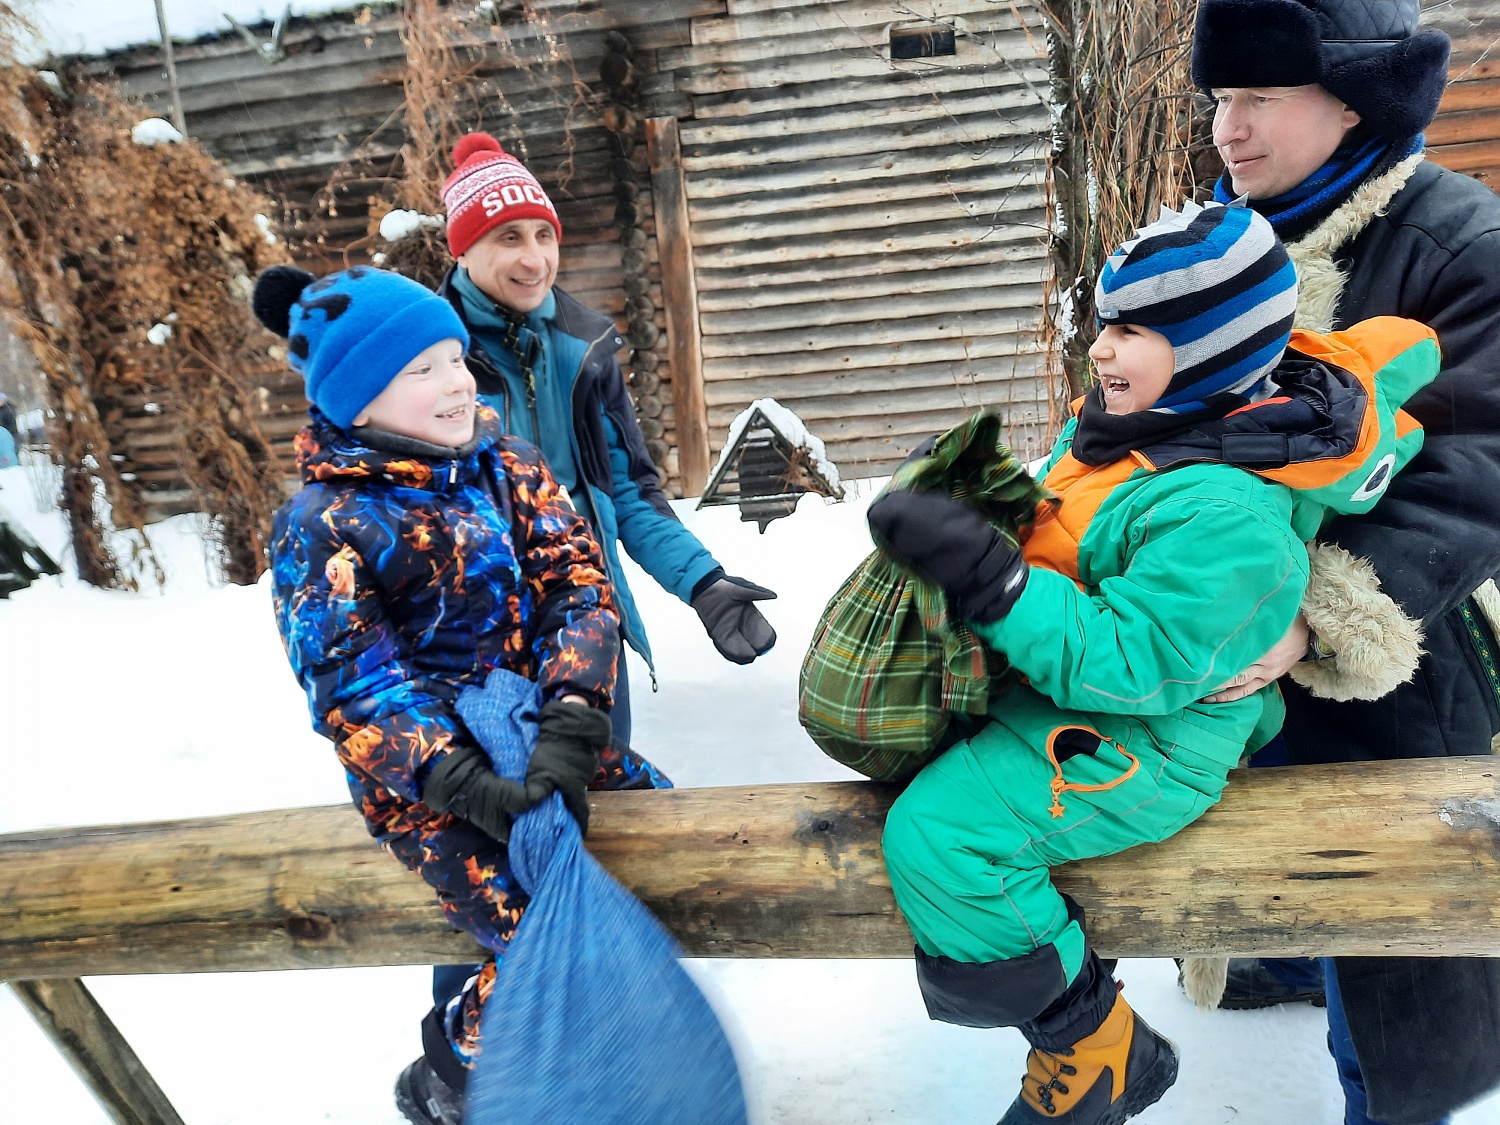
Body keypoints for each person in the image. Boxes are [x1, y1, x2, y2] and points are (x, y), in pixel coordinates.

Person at [867, 200, 1439, 1125]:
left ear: (1212, 351)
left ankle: (1091, 1046)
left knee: (942, 833)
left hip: (1154, 739)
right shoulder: (1143, 432)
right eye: (1106, 321)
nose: (1101, 347)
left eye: (1133, 328)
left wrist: (994, 580)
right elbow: (1078, 536)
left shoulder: (1225, 514)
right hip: (1084, 696)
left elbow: (1135, 661)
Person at [254, 263, 670, 1125]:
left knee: (670, 843)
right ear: (356, 401)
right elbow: (353, 685)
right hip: (432, 787)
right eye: (421, 370)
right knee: (542, 933)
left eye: (454, 357)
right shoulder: (321, 524)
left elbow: (576, 588)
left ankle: (611, 1044)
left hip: (537, 727)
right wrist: (461, 784)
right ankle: (454, 1071)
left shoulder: (506, 465)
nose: (455, 383)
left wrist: (572, 720)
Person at [1190, 2, 1500, 1121]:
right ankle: (1286, 961)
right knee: (1283, 893)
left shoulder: (1458, 244)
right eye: (1221, 99)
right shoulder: (1216, 250)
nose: (1229, 128)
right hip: (1221, 678)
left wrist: (1315, 620)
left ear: (1356, 95)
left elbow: (1477, 467)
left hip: (1399, 672)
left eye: (1258, 97)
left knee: (1394, 980)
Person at [435, 130, 777, 750]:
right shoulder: (428, 359)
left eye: (544, 236)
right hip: (478, 649)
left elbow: (625, 492)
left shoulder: (585, 353)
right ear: (463, 249)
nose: (534, 259)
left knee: (608, 809)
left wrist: (703, 583)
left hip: (590, 630)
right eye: (508, 237)